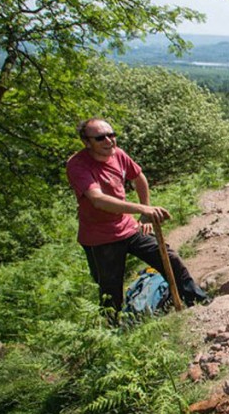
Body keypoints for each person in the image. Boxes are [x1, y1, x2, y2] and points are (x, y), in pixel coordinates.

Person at [67, 118, 208, 317]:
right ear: (87, 142)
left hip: (128, 227)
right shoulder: (78, 165)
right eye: (100, 138)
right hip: (100, 237)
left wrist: (145, 212)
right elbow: (97, 199)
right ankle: (113, 332)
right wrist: (142, 208)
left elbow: (139, 177)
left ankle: (196, 300)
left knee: (168, 257)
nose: (109, 141)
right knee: (110, 288)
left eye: (111, 135)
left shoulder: (119, 155)